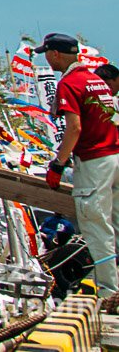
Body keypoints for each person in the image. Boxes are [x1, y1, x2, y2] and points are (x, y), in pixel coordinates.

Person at [42, 32, 119, 296]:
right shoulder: (96, 80)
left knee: (97, 228)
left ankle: (109, 293)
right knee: (116, 226)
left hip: (94, 162)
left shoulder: (70, 83)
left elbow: (74, 128)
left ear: (55, 54)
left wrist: (58, 164)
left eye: (48, 55)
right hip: (114, 157)